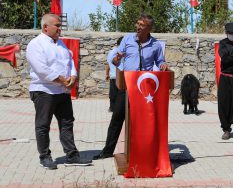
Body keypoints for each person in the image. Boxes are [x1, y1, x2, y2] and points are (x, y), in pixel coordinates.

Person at [93, 13, 168, 160]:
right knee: (117, 118)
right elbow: (115, 62)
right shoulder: (127, 39)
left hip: (144, 88)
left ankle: (142, 150)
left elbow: (160, 61)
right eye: (137, 23)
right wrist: (117, 59)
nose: (138, 27)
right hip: (126, 86)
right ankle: (107, 151)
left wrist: (163, 64)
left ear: (149, 28)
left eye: (142, 25)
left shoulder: (155, 45)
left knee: (140, 120)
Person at [26, 13, 92, 170]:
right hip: (44, 90)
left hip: (62, 92)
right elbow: (42, 70)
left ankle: (72, 155)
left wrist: (73, 76)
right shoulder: (36, 44)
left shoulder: (61, 43)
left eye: (60, 25)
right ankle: (45, 157)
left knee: (67, 123)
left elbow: (70, 62)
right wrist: (63, 79)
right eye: (57, 25)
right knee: (43, 125)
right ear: (45, 27)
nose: (59, 28)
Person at [105, 36, 123, 112]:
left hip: (113, 76)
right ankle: (118, 109)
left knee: (113, 93)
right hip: (121, 76)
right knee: (121, 94)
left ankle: (112, 108)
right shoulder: (122, 52)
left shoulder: (111, 52)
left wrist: (107, 74)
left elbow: (107, 64)